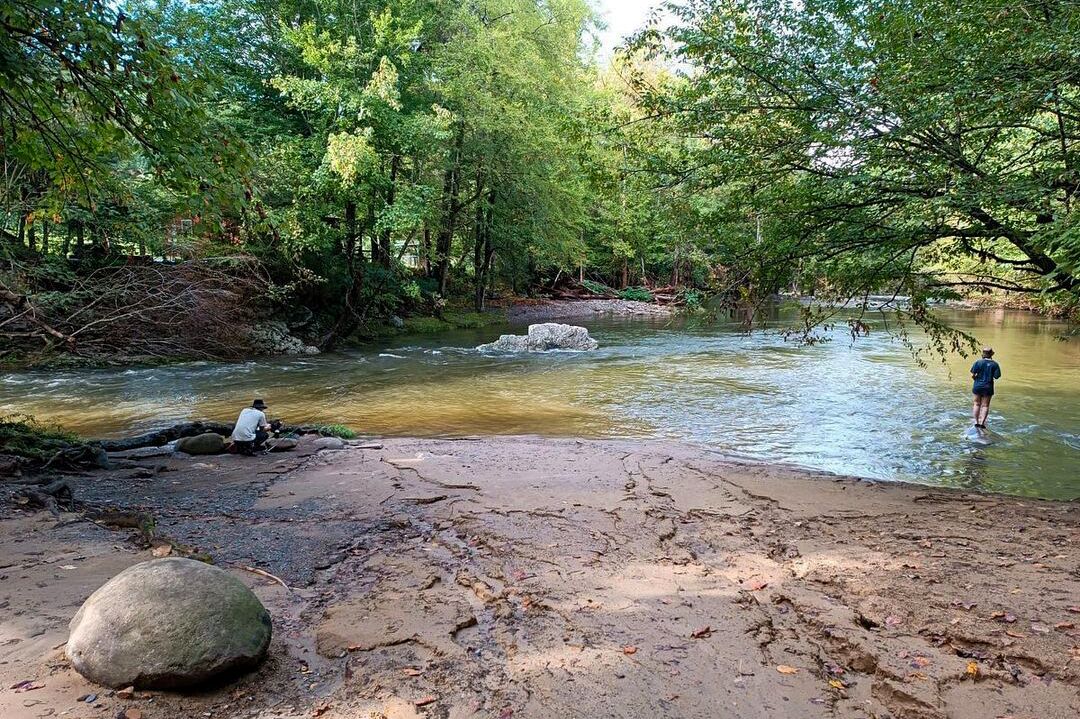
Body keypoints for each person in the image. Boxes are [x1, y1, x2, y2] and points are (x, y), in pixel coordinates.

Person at [970, 347, 1001, 430]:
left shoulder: (978, 362)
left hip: (977, 386)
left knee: (976, 404)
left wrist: (976, 379)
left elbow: (973, 374)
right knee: (985, 406)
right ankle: (982, 423)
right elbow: (997, 376)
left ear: (983, 354)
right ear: (992, 354)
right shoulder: (995, 364)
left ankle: (976, 422)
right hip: (988, 386)